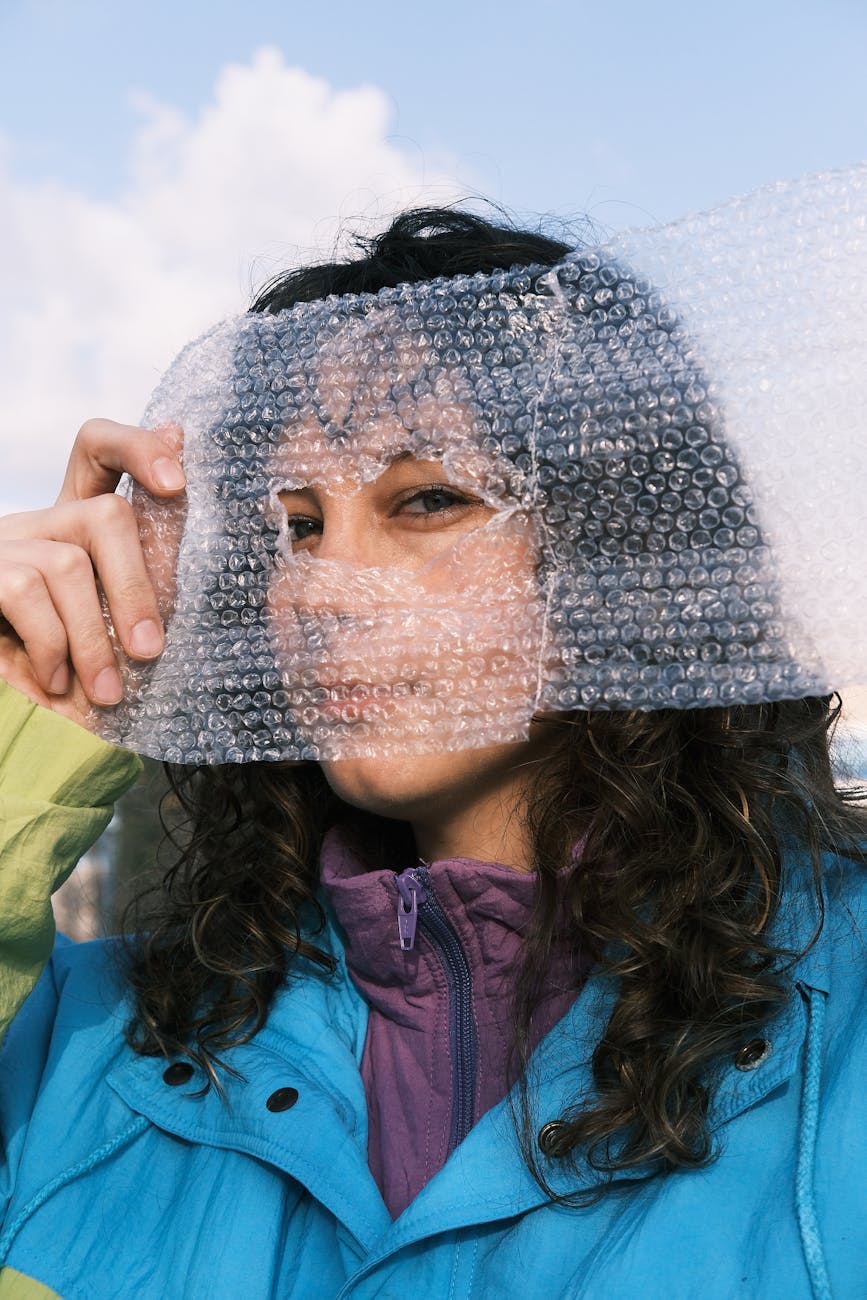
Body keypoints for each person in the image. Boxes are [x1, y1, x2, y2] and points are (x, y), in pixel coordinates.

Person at [0, 207, 865, 1300]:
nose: (321, 589)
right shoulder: (79, 1042)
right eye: (295, 526)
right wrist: (21, 724)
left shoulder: (845, 1023)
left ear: (618, 544)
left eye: (426, 499)